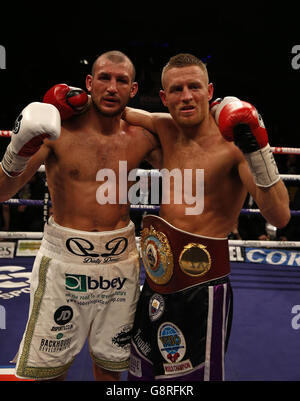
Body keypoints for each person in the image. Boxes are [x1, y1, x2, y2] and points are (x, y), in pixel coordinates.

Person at [121, 53, 290, 381]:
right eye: (177, 89)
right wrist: (78, 99)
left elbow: (281, 215)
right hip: (155, 283)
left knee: (191, 382)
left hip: (202, 289)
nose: (186, 96)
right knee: (141, 376)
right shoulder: (163, 127)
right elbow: (117, 110)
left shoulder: (232, 145)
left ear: (210, 91)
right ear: (163, 97)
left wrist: (258, 152)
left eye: (194, 87)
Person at [0, 50, 161, 381]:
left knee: (110, 368)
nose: (111, 88)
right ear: (89, 83)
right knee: (49, 372)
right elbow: (2, 192)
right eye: (104, 78)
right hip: (64, 263)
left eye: (121, 81)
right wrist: (17, 151)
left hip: (120, 265)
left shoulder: (143, 135)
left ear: (133, 89)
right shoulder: (58, 130)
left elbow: (192, 168)